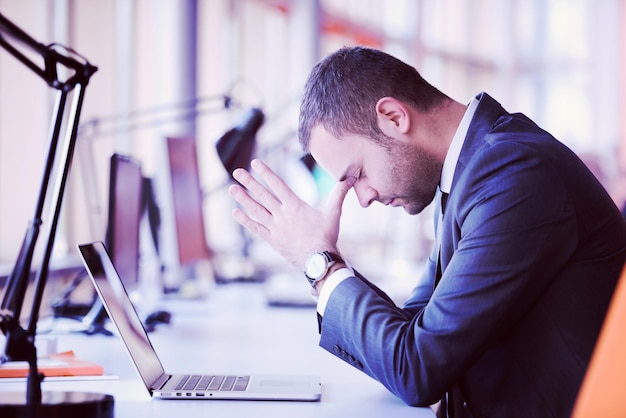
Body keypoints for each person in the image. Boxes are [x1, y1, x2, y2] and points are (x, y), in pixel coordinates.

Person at [228, 46, 626, 418]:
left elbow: (416, 369)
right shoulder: (471, 170)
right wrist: (327, 260)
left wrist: (319, 263)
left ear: (394, 117)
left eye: (359, 175)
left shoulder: (513, 173)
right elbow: (412, 332)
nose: (363, 199)